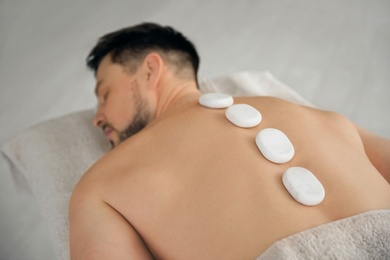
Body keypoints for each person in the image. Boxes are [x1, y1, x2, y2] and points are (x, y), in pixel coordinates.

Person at [69, 22, 390, 259]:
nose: (97, 117)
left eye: (104, 94)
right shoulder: (317, 116)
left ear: (151, 69)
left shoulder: (102, 185)